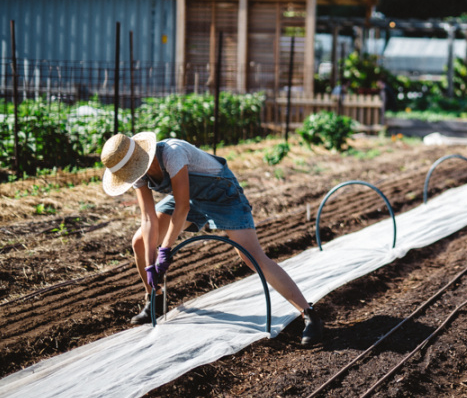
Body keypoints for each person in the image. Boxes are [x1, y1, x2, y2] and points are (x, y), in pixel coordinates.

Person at [100, 132, 323, 346]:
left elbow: (183, 207)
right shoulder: (138, 174)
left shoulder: (172, 153)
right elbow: (148, 219)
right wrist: (150, 265)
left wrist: (165, 249)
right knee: (139, 242)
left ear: (142, 158)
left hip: (221, 193)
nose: (134, 177)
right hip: (187, 198)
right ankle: (154, 298)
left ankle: (309, 314)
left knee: (251, 257)